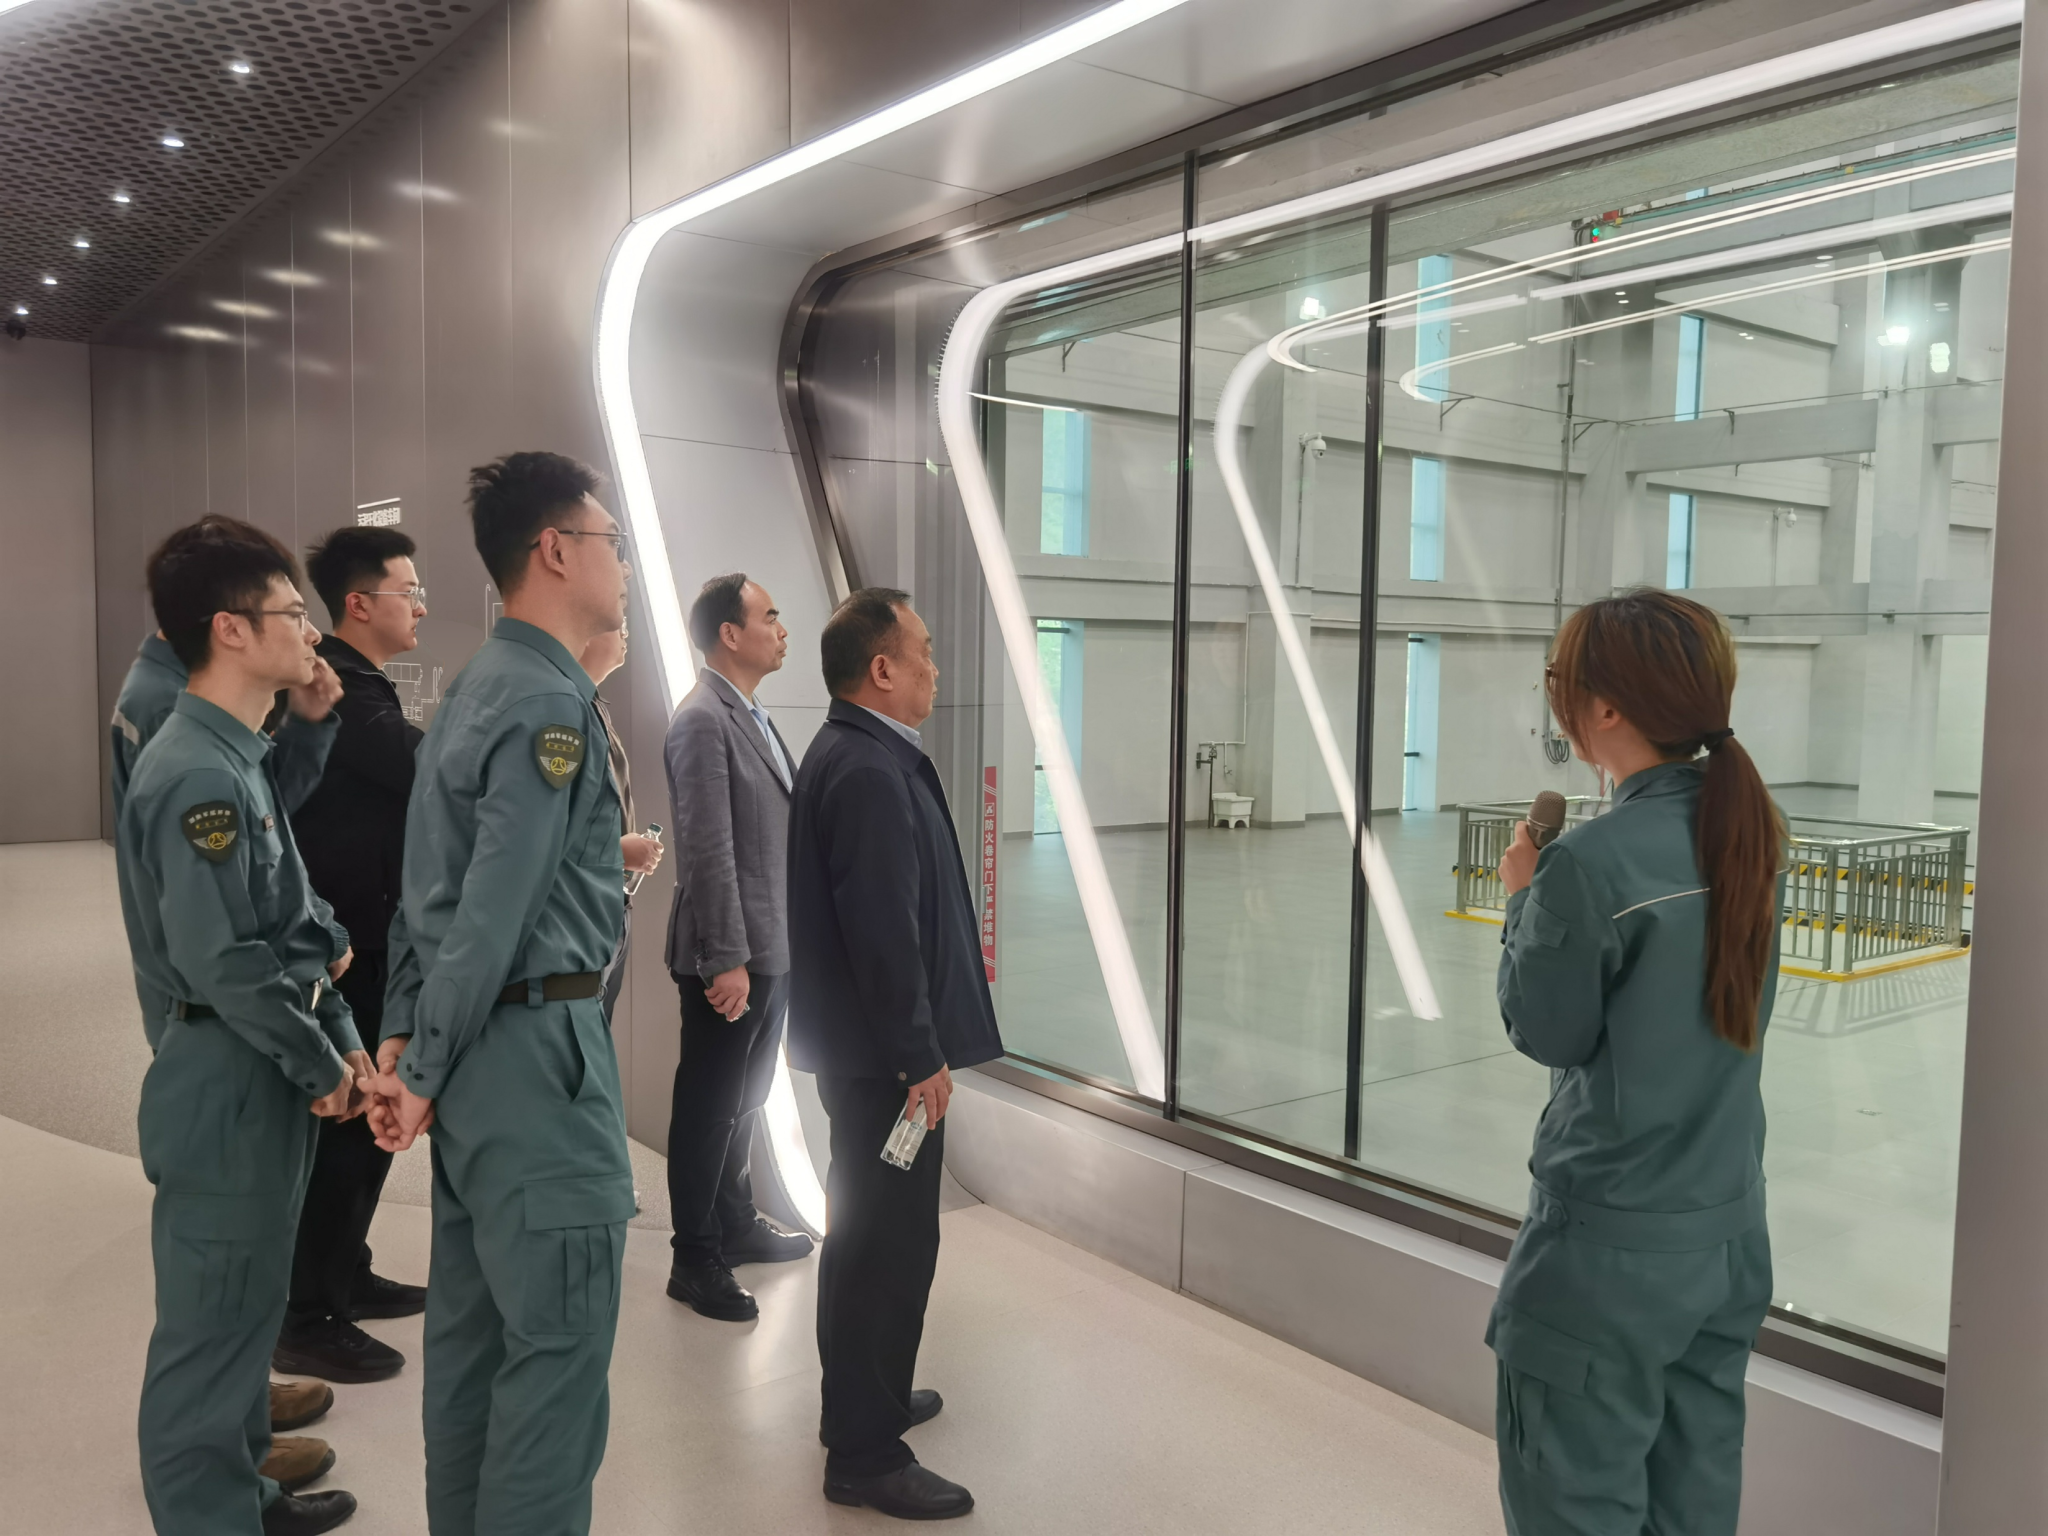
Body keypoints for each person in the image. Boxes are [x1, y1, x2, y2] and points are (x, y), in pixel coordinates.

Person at [365, 452, 633, 1536]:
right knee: (554, 1367)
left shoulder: (479, 685)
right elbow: (493, 911)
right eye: (611, 543)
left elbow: (422, 887)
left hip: (481, 1066)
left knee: (472, 1357)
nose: (625, 565)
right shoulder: (546, 702)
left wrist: (404, 1037)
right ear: (556, 551)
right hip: (537, 1066)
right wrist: (420, 1067)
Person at [1489, 590, 1785, 1536]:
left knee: (1574, 1499)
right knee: (1693, 1497)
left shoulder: (1589, 863)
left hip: (1606, 1253)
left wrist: (1525, 902)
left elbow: (1548, 1031)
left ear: (1607, 708)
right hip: (1726, 1234)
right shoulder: (1749, 834)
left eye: (1562, 684)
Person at [116, 517, 373, 1536]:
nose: (312, 631)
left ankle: (240, 1493)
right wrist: (323, 1063)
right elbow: (224, 959)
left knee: (246, 1305)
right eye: (292, 613)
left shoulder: (237, 753)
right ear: (230, 629)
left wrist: (340, 1034)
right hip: (227, 1072)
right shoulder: (198, 773)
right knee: (212, 1320)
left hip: (256, 1065)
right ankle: (206, 1514)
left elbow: (290, 917)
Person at [787, 588, 1003, 1521]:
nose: (934, 669)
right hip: (887, 1066)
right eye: (923, 652)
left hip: (866, 1056)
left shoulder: (852, 752)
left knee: (865, 1236)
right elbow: (885, 935)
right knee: (890, 1246)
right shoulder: (870, 770)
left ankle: (860, 1400)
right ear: (881, 668)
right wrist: (920, 1057)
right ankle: (866, 1454)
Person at [273, 526, 433, 1386]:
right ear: (359, 604)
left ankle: (347, 1274)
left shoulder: (361, 686)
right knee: (349, 1132)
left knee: (363, 1136)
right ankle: (308, 1317)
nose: (422, 606)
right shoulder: (339, 692)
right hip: (346, 950)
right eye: (410, 591)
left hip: (367, 938)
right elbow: (424, 768)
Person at [661, 572, 811, 1324]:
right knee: (709, 1107)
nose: (782, 631)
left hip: (769, 948)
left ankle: (736, 1221)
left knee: (745, 1101)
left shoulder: (749, 714)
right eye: (770, 617)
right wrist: (725, 959)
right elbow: (707, 849)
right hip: (732, 958)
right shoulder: (702, 720)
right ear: (730, 633)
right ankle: (694, 1258)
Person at [578, 623, 666, 1023]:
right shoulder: (562, 708)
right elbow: (539, 834)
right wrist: (615, 852)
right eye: (617, 622)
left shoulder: (594, 704)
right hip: (580, 915)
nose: (627, 632)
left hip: (611, 906)